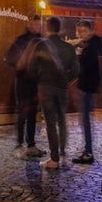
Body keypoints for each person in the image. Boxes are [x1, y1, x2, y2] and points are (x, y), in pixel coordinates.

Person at [27, 16, 78, 171]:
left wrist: (40, 81)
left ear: (47, 28)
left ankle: (54, 159)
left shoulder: (41, 45)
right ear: (59, 29)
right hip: (62, 89)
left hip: (46, 89)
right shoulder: (68, 48)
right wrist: (65, 81)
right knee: (61, 120)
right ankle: (62, 152)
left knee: (50, 123)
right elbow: (76, 71)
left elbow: (31, 68)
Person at [5, 17, 43, 158]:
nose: (36, 26)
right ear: (29, 24)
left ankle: (31, 144)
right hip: (22, 81)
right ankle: (19, 144)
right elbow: (10, 59)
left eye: (38, 24)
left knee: (32, 114)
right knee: (22, 113)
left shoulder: (42, 41)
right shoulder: (20, 41)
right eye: (34, 24)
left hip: (35, 82)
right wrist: (20, 64)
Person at [73, 19, 102, 165]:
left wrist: (79, 57)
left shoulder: (91, 48)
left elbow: (85, 68)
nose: (81, 34)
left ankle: (88, 152)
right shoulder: (92, 45)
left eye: (84, 31)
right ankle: (88, 150)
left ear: (91, 31)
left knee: (85, 121)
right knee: (85, 121)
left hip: (87, 88)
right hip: (88, 87)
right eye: (79, 31)